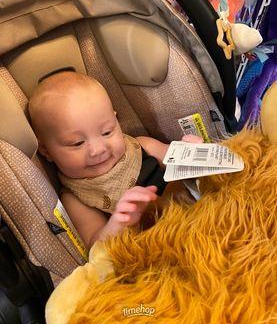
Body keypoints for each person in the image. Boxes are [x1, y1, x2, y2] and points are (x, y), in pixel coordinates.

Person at [28, 71, 202, 248]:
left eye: (106, 132)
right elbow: (95, 246)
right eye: (77, 143)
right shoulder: (75, 199)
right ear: (46, 152)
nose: (98, 150)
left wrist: (189, 151)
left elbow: (180, 162)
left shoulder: (141, 146)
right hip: (158, 247)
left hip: (197, 215)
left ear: (116, 120)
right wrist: (118, 223)